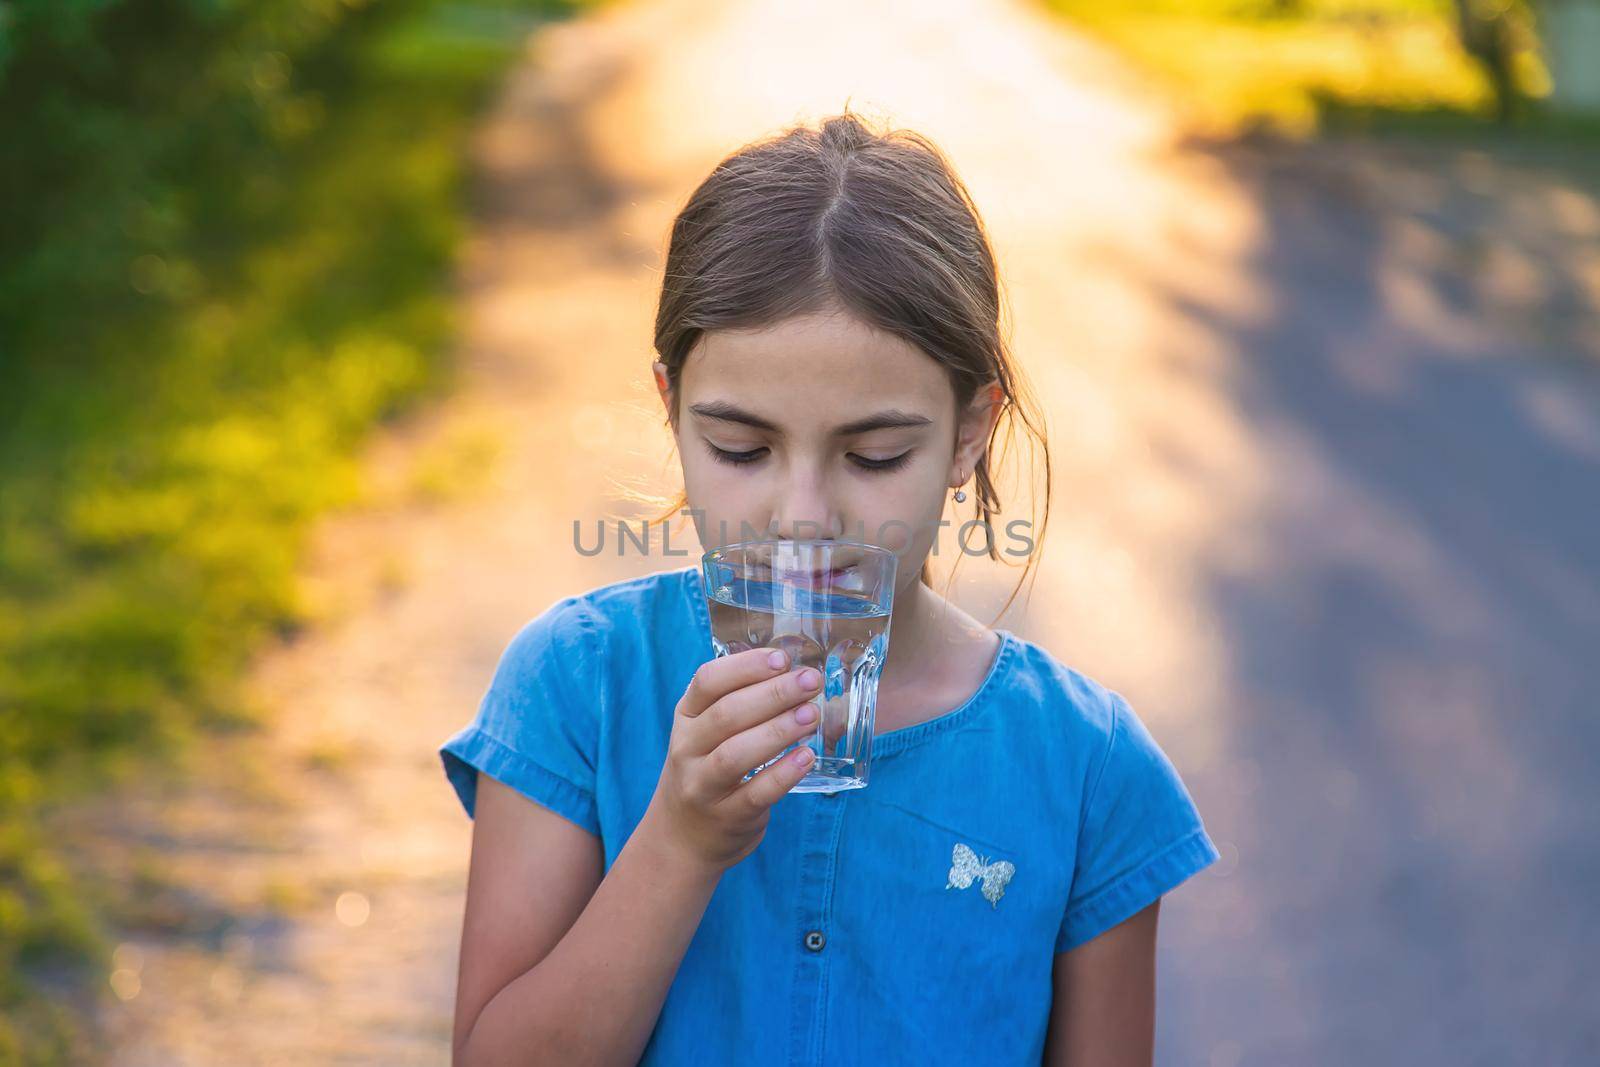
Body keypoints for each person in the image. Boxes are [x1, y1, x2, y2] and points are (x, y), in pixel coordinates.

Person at [438, 108, 1219, 1066]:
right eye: (741, 447)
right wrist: (679, 842)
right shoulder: (577, 683)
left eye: (875, 454)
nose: (802, 515)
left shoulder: (1088, 768)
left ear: (970, 433)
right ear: (670, 408)